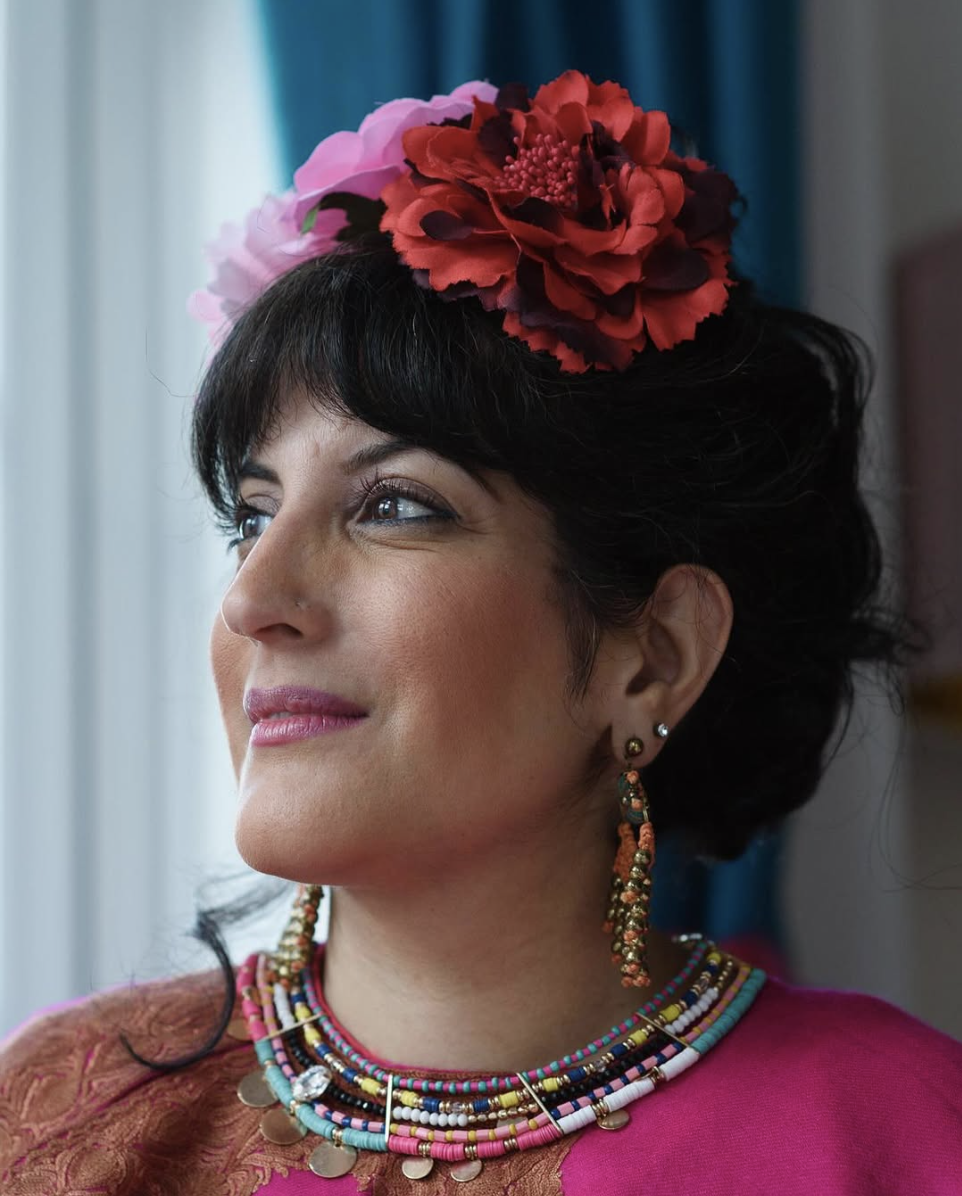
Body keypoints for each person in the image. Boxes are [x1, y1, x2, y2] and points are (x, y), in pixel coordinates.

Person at [1, 70, 960, 1196]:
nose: (255, 597)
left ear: (651, 653)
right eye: (250, 516)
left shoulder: (895, 1138)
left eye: (393, 505)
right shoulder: (57, 1116)